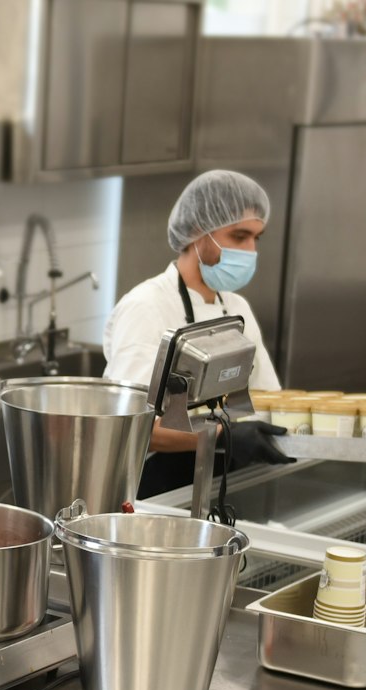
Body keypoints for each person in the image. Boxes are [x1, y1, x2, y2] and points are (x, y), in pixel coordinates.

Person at [103, 170, 293, 500]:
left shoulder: (236, 307)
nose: (250, 251)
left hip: (217, 487)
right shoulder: (147, 307)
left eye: (256, 239)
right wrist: (221, 436)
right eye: (239, 236)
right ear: (196, 231)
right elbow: (130, 427)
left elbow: (267, 398)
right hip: (150, 497)